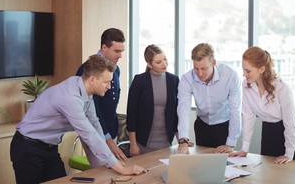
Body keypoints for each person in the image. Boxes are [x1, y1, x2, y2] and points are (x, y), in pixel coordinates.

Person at [10, 55, 146, 184]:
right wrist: (120, 168)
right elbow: (88, 134)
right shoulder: (70, 98)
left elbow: (94, 123)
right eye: (106, 82)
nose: (109, 86)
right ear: (92, 79)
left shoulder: (85, 91)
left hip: (49, 148)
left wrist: (109, 163)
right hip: (28, 148)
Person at [229, 46, 295, 163]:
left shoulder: (281, 87)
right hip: (268, 131)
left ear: (262, 69)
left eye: (248, 71)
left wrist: (289, 154)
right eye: (243, 69)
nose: (244, 74)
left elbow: (290, 123)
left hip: (289, 132)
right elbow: (248, 118)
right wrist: (244, 149)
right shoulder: (246, 86)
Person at [177, 43, 242, 154]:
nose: (200, 73)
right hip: (202, 125)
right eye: (196, 69)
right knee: (203, 165)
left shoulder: (230, 76)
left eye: (204, 68)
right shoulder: (187, 79)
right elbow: (183, 109)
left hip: (224, 125)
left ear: (213, 63)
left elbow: (235, 110)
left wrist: (231, 143)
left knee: (224, 166)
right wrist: (183, 139)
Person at [75, 28, 127, 161]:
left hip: (111, 130)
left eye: (122, 51)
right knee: (101, 172)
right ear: (104, 47)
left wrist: (111, 134)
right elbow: (91, 110)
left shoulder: (116, 69)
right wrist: (107, 137)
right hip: (93, 131)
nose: (120, 55)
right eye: (117, 51)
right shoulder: (87, 69)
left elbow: (114, 100)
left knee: (112, 172)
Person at [126, 44, 180, 156]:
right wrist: (133, 144)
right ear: (149, 64)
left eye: (165, 59)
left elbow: (176, 114)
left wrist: (181, 141)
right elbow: (131, 115)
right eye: (158, 62)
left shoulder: (173, 80)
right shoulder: (139, 81)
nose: (164, 64)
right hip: (142, 144)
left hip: (166, 143)